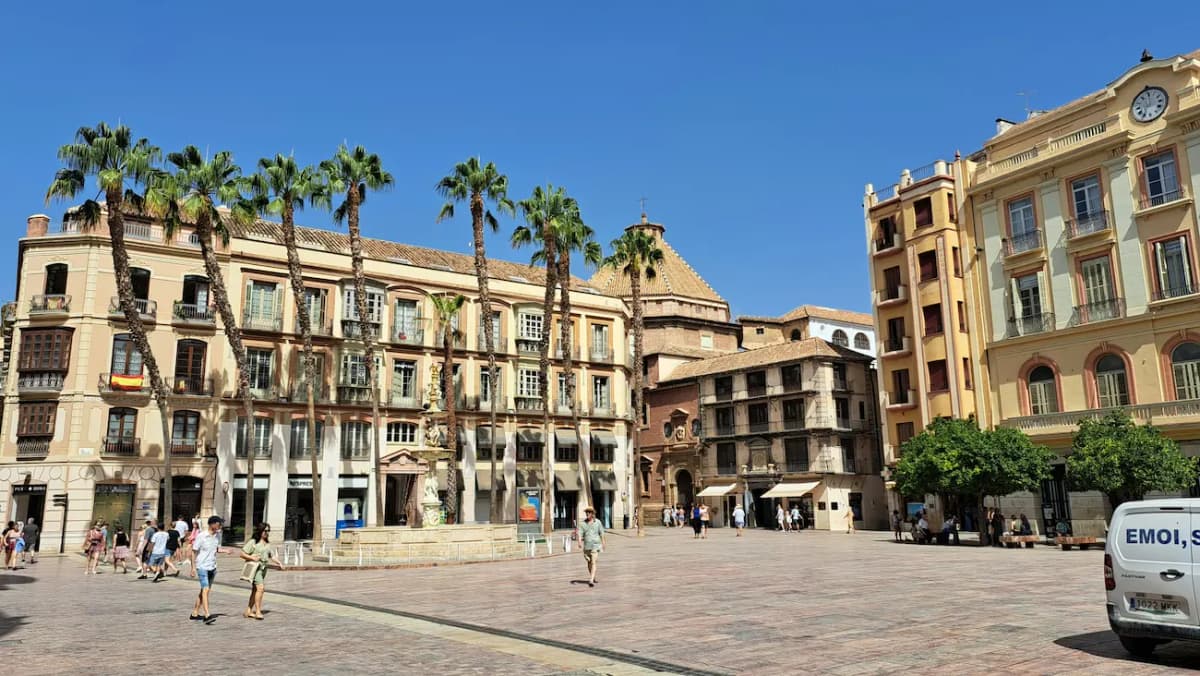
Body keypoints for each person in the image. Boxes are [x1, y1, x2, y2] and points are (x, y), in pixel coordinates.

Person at [240, 523, 285, 620]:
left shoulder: (267, 543)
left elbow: (271, 556)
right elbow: (242, 553)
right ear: (260, 531)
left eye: (268, 531)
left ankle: (248, 611)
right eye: (265, 531)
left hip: (264, 569)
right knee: (261, 588)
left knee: (255, 590)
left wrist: (279, 563)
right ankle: (258, 611)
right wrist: (252, 557)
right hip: (255, 569)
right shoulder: (253, 542)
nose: (267, 533)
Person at [191, 516, 229, 623]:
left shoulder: (218, 536)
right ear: (212, 524)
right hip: (202, 566)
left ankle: (194, 613)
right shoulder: (202, 536)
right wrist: (193, 568)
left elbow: (216, 548)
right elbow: (194, 551)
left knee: (204, 591)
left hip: (212, 566)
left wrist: (225, 551)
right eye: (218, 523)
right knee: (206, 590)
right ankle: (207, 615)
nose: (220, 526)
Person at [577, 507, 605, 587]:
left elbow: (601, 533)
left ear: (592, 513)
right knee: (589, 562)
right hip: (587, 546)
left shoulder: (598, 522)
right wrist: (579, 542)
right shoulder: (583, 524)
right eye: (586, 512)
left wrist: (603, 543)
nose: (587, 513)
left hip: (596, 545)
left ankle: (591, 580)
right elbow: (580, 534)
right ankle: (593, 576)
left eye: (589, 512)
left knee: (593, 562)